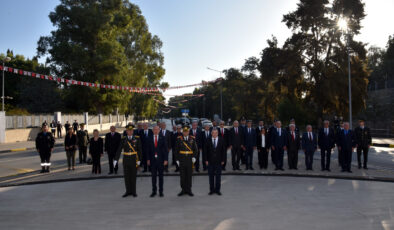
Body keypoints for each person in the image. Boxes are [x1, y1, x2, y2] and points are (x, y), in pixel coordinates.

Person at [114, 124, 142, 197]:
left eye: (131, 130)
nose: (130, 132)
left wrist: (139, 160)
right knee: (126, 176)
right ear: (126, 131)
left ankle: (133, 192)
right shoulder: (123, 139)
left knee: (133, 176)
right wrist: (116, 159)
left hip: (134, 159)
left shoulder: (137, 138)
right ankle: (128, 191)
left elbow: (140, 150)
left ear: (133, 131)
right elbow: (119, 149)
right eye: (128, 131)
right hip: (126, 159)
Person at [175, 126, 198, 196]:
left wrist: (194, 157)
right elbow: (176, 150)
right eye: (184, 131)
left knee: (189, 175)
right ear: (182, 132)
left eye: (187, 131)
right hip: (182, 160)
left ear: (188, 132)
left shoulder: (192, 139)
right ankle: (183, 190)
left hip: (189, 160)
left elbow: (196, 149)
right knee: (182, 176)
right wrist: (177, 160)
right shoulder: (179, 139)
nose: (185, 133)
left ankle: (189, 190)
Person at [147, 126, 168, 197]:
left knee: (161, 177)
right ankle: (154, 191)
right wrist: (148, 159)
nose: (156, 131)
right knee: (153, 177)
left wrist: (166, 159)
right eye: (154, 129)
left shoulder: (163, 138)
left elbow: (165, 150)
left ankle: (161, 191)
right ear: (152, 131)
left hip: (161, 161)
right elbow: (147, 150)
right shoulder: (149, 138)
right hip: (152, 161)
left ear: (159, 131)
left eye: (157, 129)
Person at [205, 128, 226, 195]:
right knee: (211, 176)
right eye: (213, 133)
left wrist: (223, 160)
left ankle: (217, 190)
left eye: (216, 133)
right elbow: (205, 151)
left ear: (217, 133)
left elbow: (223, 151)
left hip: (219, 161)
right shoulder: (208, 140)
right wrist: (206, 160)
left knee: (218, 177)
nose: (214, 134)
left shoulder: (221, 140)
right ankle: (211, 190)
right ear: (211, 133)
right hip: (210, 161)